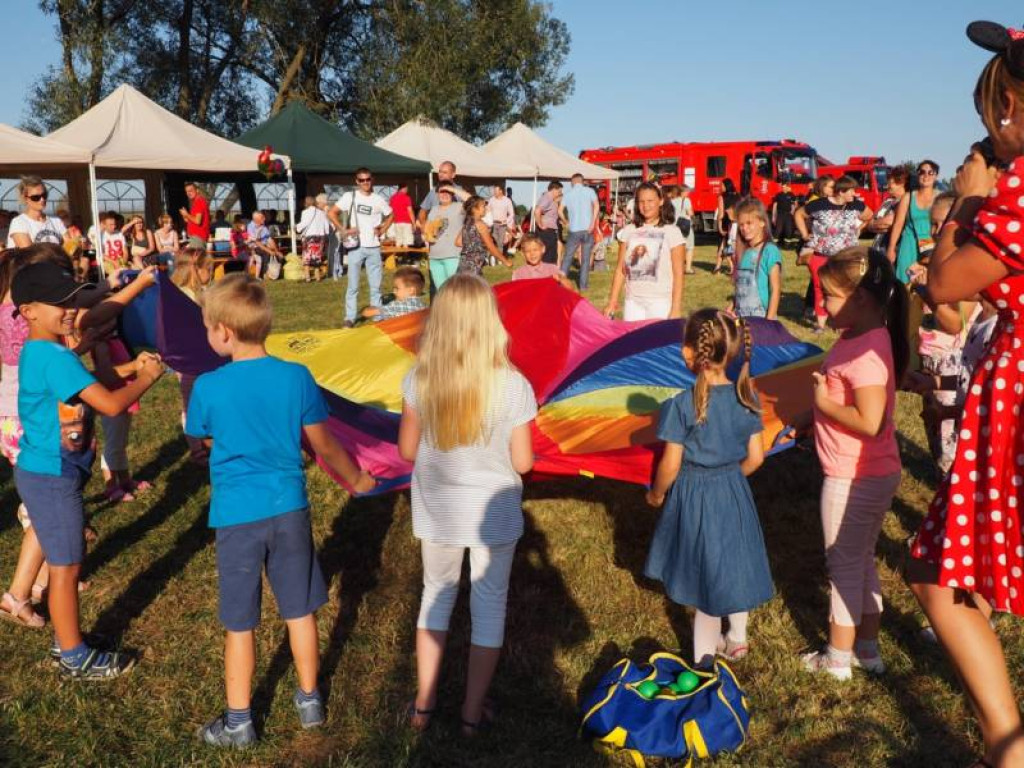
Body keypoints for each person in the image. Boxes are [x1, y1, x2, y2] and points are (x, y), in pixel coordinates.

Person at [185, 274, 375, 748]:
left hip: (235, 517)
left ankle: (238, 721)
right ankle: (309, 699)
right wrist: (356, 479)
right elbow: (324, 445)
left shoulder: (207, 386)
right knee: (300, 609)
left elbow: (202, 439)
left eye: (208, 327)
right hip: (289, 509)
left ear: (224, 332)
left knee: (239, 621)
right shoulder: (296, 376)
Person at [905, 21, 1024, 766]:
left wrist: (963, 202)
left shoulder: (1013, 195)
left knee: (933, 568)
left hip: (1017, 389)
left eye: (992, 112)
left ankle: (1007, 744)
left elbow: (944, 284)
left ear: (1010, 102)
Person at [398, 274, 536, 736]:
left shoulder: (418, 379)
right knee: (489, 606)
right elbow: (522, 461)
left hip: (438, 507)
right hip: (493, 514)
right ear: (490, 322)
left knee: (434, 598)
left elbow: (407, 450)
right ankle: (471, 715)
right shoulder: (514, 385)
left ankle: (423, 705)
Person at [13, 260, 164, 678]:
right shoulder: (55, 357)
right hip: (52, 475)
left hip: (45, 471)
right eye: (58, 303)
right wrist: (147, 377)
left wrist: (129, 368)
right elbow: (111, 403)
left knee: (65, 561)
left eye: (72, 300)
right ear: (28, 310)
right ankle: (73, 655)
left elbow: (87, 382)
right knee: (66, 568)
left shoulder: (45, 351)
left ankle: (68, 643)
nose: (70, 310)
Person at [797, 247, 907, 681]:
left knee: (843, 563)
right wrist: (815, 416)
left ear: (861, 298)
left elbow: (871, 421)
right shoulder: (857, 337)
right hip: (864, 472)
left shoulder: (866, 353)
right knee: (859, 559)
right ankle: (867, 649)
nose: (822, 303)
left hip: (854, 475)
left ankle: (838, 658)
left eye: (829, 295)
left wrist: (824, 402)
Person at [644, 308, 772, 667]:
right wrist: (729, 479)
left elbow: (670, 465)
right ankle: (738, 638)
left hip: (695, 495)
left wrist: (656, 494)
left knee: (705, 587)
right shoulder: (748, 398)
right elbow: (757, 458)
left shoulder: (681, 405)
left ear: (690, 352)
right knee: (734, 564)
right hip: (733, 490)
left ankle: (703, 667)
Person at [795, 176, 873, 334]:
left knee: (844, 289)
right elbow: (798, 214)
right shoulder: (819, 204)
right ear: (841, 191)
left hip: (846, 256)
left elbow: (869, 215)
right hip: (820, 254)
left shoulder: (856, 205)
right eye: (851, 190)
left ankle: (842, 321)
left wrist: (859, 229)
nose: (854, 193)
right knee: (820, 288)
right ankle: (820, 324)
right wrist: (804, 234)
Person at [603, 182, 686, 321]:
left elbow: (679, 274)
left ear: (660, 201)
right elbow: (620, 270)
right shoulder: (629, 230)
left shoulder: (672, 232)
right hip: (633, 302)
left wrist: (676, 308)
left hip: (661, 302)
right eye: (641, 201)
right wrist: (612, 301)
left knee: (657, 343)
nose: (645, 206)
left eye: (650, 201)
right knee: (634, 342)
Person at [328, 168, 393, 328]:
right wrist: (343, 230)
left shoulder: (378, 199)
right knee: (353, 285)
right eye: (361, 180)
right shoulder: (349, 196)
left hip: (374, 247)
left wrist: (382, 230)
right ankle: (350, 317)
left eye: (368, 179)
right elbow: (331, 213)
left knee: (375, 285)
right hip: (355, 246)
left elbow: (391, 214)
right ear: (356, 181)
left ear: (372, 179)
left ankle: (377, 316)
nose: (365, 182)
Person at [171, 247, 213, 465]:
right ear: (196, 269)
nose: (212, 273)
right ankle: (197, 449)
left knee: (204, 400)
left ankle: (206, 442)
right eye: (209, 269)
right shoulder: (185, 296)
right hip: (189, 360)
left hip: (203, 357)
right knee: (191, 404)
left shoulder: (197, 292)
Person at [887, 160, 939, 284]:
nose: (926, 175)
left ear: (936, 176)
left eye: (930, 172)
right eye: (922, 172)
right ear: (918, 175)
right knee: (905, 280)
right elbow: (898, 224)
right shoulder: (908, 197)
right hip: (909, 245)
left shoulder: (941, 197)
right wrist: (891, 248)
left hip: (932, 245)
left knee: (928, 281)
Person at [732, 198, 782, 320]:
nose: (744, 228)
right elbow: (741, 288)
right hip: (741, 317)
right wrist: (733, 305)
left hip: (762, 317)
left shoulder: (769, 251)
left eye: (749, 223)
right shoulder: (743, 252)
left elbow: (775, 289)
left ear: (762, 222)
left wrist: (769, 322)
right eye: (741, 225)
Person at [559, 173, 599, 290]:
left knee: (567, 257)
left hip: (574, 230)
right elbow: (596, 206)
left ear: (572, 182)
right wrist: (593, 222)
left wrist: (566, 221)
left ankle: (561, 283)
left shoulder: (568, 194)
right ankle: (583, 286)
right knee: (586, 259)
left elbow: (560, 210)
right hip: (588, 229)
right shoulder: (590, 191)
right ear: (582, 181)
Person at [457, 196, 513, 276]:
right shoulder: (480, 224)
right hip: (474, 266)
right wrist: (505, 261)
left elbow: (458, 242)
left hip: (463, 264)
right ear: (474, 209)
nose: (486, 208)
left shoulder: (467, 223)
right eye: (483, 206)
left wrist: (473, 244)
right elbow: (490, 246)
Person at [422, 186, 463, 292]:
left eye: (448, 192)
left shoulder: (459, 207)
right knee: (441, 291)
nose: (444, 194)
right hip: (434, 257)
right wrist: (425, 233)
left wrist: (454, 189)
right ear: (437, 194)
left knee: (455, 290)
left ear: (453, 194)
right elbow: (428, 229)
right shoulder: (434, 209)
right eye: (441, 192)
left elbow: (474, 201)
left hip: (452, 256)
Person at [7, 176, 66, 249]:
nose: (42, 200)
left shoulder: (56, 222)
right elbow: (29, 255)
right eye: (36, 197)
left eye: (44, 195)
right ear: (25, 199)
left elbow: (71, 247)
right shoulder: (19, 222)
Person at [417, 161, 471, 231]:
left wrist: (452, 189)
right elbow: (423, 210)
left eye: (445, 172)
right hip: (436, 235)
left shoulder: (459, 191)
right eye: (440, 172)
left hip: (455, 234)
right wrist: (424, 225)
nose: (441, 175)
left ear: (453, 175)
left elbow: (473, 201)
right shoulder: (433, 191)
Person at [362, 266, 427, 321]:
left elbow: (367, 313)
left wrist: (370, 309)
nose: (394, 291)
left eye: (397, 288)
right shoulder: (423, 307)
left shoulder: (397, 306)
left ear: (411, 290)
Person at [295, 196, 331, 282]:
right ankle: (318, 277)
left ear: (306, 203)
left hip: (309, 237)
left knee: (307, 258)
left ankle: (308, 278)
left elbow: (304, 224)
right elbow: (326, 226)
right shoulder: (321, 212)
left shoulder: (305, 212)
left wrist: (296, 227)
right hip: (320, 238)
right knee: (317, 257)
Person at [533, 181, 564, 265]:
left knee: (549, 253)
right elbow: (537, 211)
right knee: (548, 254)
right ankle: (547, 274)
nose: (560, 193)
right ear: (554, 189)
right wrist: (540, 224)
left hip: (548, 230)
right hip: (547, 231)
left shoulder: (548, 198)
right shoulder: (547, 198)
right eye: (559, 191)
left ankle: (547, 273)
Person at [714, 179, 740, 275]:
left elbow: (720, 214)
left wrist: (720, 227)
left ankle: (719, 268)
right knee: (733, 246)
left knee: (722, 245)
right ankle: (732, 267)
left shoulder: (721, 197)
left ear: (726, 186)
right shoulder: (738, 196)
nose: (721, 187)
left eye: (722, 185)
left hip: (726, 223)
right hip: (736, 223)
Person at [245, 211, 280, 280]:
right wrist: (269, 251)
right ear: (256, 219)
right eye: (262, 217)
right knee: (266, 253)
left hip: (262, 246)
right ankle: (264, 274)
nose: (264, 219)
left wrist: (276, 251)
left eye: (264, 217)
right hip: (253, 247)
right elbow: (256, 242)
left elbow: (269, 239)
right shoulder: (250, 226)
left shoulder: (263, 227)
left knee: (278, 255)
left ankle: (275, 273)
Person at [487, 184, 516, 259]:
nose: (494, 192)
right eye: (494, 191)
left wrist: (506, 221)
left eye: (496, 191)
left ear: (501, 191)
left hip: (502, 224)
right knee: (493, 239)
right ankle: (495, 256)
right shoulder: (491, 200)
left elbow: (511, 213)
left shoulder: (507, 200)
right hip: (492, 224)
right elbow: (488, 210)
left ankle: (499, 258)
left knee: (500, 243)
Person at [179, 182, 211, 248]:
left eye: (191, 191)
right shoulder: (196, 202)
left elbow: (197, 221)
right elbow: (192, 221)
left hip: (198, 238)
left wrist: (187, 214)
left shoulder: (199, 202)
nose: (188, 193)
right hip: (195, 237)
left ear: (197, 190)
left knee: (195, 257)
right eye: (187, 191)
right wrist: (185, 216)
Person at [771, 181, 797, 249]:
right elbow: (775, 205)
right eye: (782, 187)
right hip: (780, 214)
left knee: (788, 230)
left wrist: (792, 212)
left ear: (788, 187)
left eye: (785, 187)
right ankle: (774, 245)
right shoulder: (778, 195)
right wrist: (773, 216)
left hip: (788, 215)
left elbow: (794, 204)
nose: (783, 188)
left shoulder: (791, 195)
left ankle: (787, 246)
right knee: (778, 230)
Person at [389, 182, 416, 248]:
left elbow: (390, 210)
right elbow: (410, 211)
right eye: (407, 189)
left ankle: (397, 255)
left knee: (398, 240)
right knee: (406, 241)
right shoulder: (407, 198)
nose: (407, 190)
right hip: (406, 221)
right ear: (404, 188)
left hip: (396, 221)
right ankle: (405, 256)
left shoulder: (392, 198)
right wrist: (413, 222)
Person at [677, 185, 696, 274]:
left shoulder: (672, 200)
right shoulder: (687, 200)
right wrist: (693, 214)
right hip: (685, 226)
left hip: (675, 227)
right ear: (683, 192)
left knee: (678, 247)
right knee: (689, 247)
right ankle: (688, 268)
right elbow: (690, 212)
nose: (688, 192)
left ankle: (677, 267)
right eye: (687, 191)